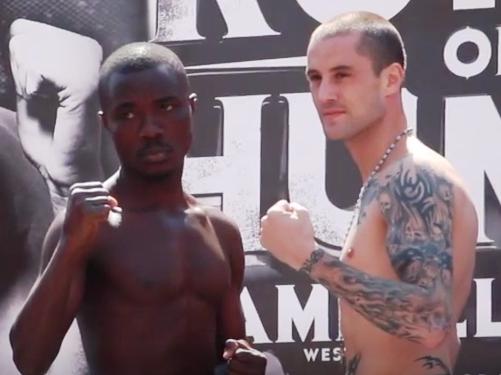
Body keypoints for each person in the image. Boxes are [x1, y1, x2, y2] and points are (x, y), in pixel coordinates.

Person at [10, 42, 266, 375]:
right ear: (106, 123)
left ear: (191, 108)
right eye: (127, 113)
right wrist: (70, 246)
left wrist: (248, 363)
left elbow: (231, 349)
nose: (150, 129)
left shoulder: (222, 231)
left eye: (166, 106)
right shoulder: (88, 225)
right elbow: (28, 359)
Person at [260, 11, 477, 375]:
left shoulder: (414, 176)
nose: (325, 93)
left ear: (390, 79)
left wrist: (307, 256)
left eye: (342, 75)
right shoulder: (385, 179)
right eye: (315, 78)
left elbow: (430, 324)